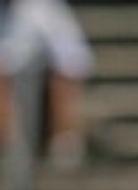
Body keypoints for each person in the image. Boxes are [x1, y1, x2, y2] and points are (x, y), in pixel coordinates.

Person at [0, 0, 93, 168]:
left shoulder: (47, 10)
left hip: (43, 70)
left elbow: (73, 62)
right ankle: (6, 143)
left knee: (67, 71)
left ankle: (66, 142)